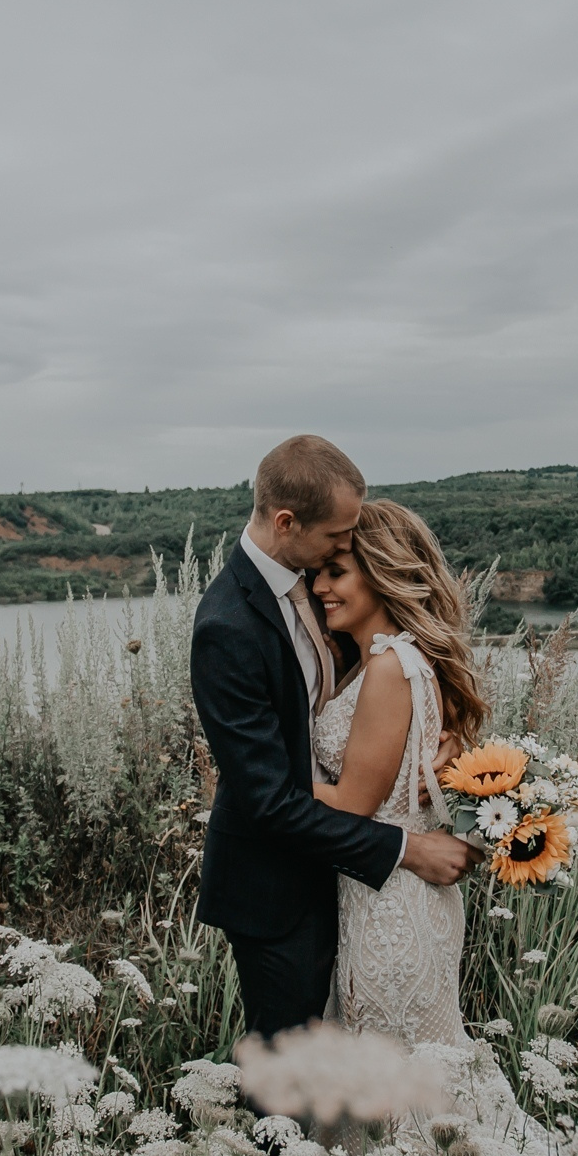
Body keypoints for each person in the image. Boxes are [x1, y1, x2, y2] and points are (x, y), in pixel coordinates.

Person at [308, 495, 578, 1156]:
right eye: (317, 573)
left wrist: (263, 781)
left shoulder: (390, 667)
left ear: (382, 573)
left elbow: (351, 805)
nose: (321, 586)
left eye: (337, 571)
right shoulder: (402, 661)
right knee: (423, 1072)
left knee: (399, 1085)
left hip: (388, 907)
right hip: (406, 895)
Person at [190, 435, 475, 1043]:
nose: (340, 550)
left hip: (353, 886)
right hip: (278, 893)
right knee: (290, 1069)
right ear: (286, 523)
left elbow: (386, 684)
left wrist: (436, 749)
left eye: (344, 556)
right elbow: (269, 800)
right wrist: (406, 847)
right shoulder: (228, 625)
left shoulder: (321, 595)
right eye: (335, 538)